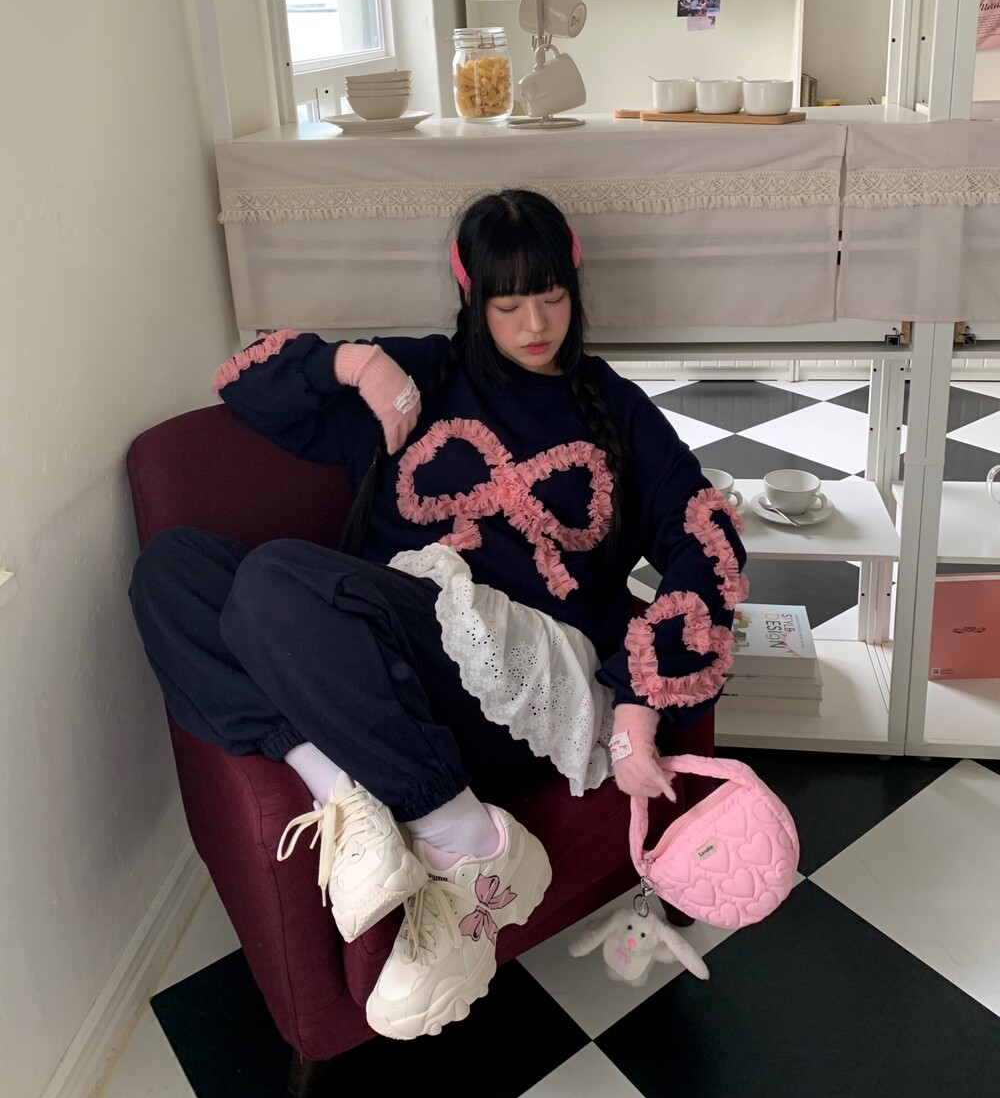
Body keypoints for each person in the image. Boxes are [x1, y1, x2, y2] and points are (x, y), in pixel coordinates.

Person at [128, 189, 747, 1042]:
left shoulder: (616, 409)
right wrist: (358, 366)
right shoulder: (421, 373)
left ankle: (453, 826)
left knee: (273, 581)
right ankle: (347, 788)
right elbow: (245, 385)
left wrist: (641, 696)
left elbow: (710, 541)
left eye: (552, 296)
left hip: (514, 690)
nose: (537, 323)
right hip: (379, 658)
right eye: (509, 303)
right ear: (469, 295)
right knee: (171, 571)